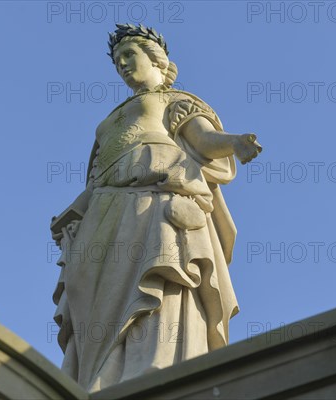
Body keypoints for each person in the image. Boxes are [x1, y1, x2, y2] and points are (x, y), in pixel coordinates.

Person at [51, 23, 262, 392]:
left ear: (159, 61)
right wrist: (72, 215)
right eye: (118, 61)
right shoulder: (108, 121)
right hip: (106, 211)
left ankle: (154, 365)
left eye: (130, 55)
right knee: (99, 302)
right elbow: (98, 176)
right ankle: (100, 377)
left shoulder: (174, 100)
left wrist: (235, 143)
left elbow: (203, 139)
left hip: (155, 202)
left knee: (161, 279)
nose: (122, 64)